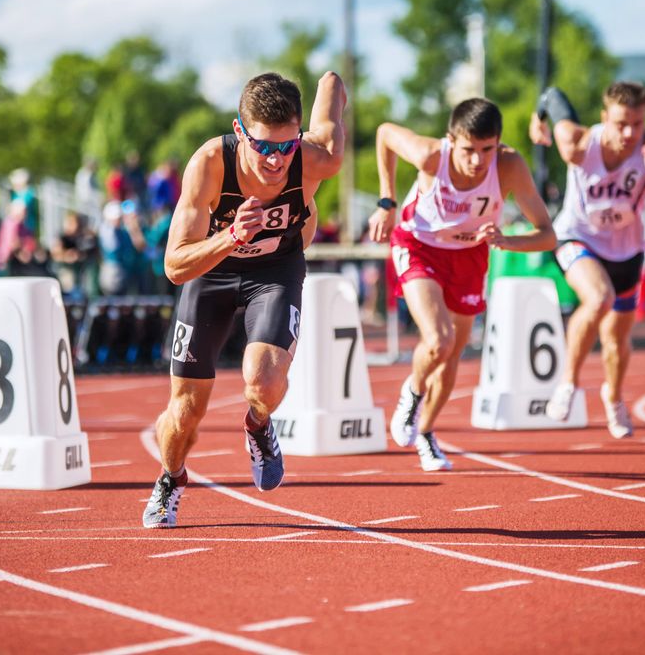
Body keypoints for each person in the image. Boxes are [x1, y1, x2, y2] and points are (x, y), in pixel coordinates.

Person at [144, 71, 345, 528]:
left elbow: (333, 92)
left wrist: (331, 80)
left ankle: (258, 425)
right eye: (264, 147)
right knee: (185, 411)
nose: (276, 161)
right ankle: (171, 478)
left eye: (286, 146)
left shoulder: (318, 158)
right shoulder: (210, 163)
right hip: (210, 270)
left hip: (276, 270)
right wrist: (232, 235)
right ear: (240, 132)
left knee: (264, 382)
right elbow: (175, 266)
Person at [368, 99, 556, 471]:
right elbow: (385, 134)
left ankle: (426, 431)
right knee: (439, 340)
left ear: (498, 143)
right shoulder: (430, 155)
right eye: (468, 150)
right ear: (451, 140)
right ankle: (413, 391)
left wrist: (506, 240)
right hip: (419, 246)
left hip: (469, 256)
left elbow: (547, 234)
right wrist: (387, 201)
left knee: (453, 355)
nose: (477, 161)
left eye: (487, 150)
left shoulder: (509, 166)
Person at [531, 81, 645, 437]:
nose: (630, 133)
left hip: (627, 251)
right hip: (578, 237)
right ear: (604, 118)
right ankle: (568, 383)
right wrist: (537, 118)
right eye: (621, 123)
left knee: (617, 339)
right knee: (597, 298)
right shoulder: (577, 143)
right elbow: (552, 95)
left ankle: (613, 397)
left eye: (638, 123)